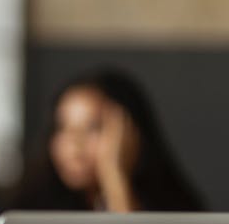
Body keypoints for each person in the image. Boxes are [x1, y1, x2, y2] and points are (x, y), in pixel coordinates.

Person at [11, 67, 204, 212]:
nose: (74, 143)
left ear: (129, 135)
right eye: (63, 127)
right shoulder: (29, 207)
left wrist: (114, 176)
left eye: (93, 127)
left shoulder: (174, 209)